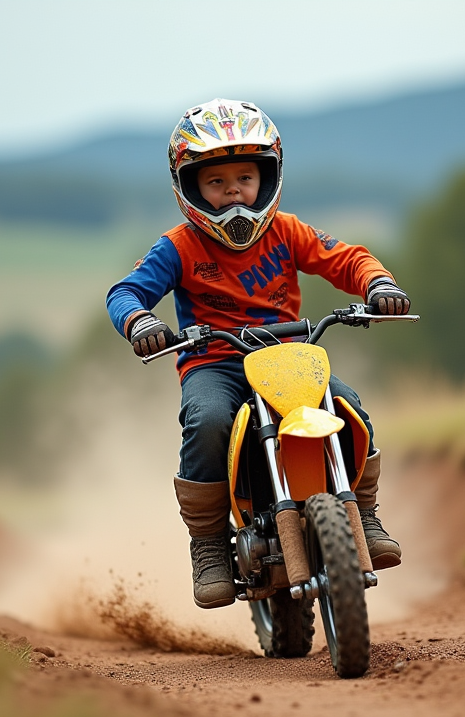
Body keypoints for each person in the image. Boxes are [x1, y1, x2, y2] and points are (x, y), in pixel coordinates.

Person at [106, 98, 413, 609]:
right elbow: (125, 292)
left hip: (289, 356)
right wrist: (142, 321)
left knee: (348, 404)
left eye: (245, 178)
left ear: (267, 179)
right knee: (206, 420)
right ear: (190, 187)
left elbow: (347, 258)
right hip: (215, 363)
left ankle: (363, 508)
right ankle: (207, 545)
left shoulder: (287, 230)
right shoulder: (178, 247)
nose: (233, 193)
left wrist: (378, 283)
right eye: (217, 182)